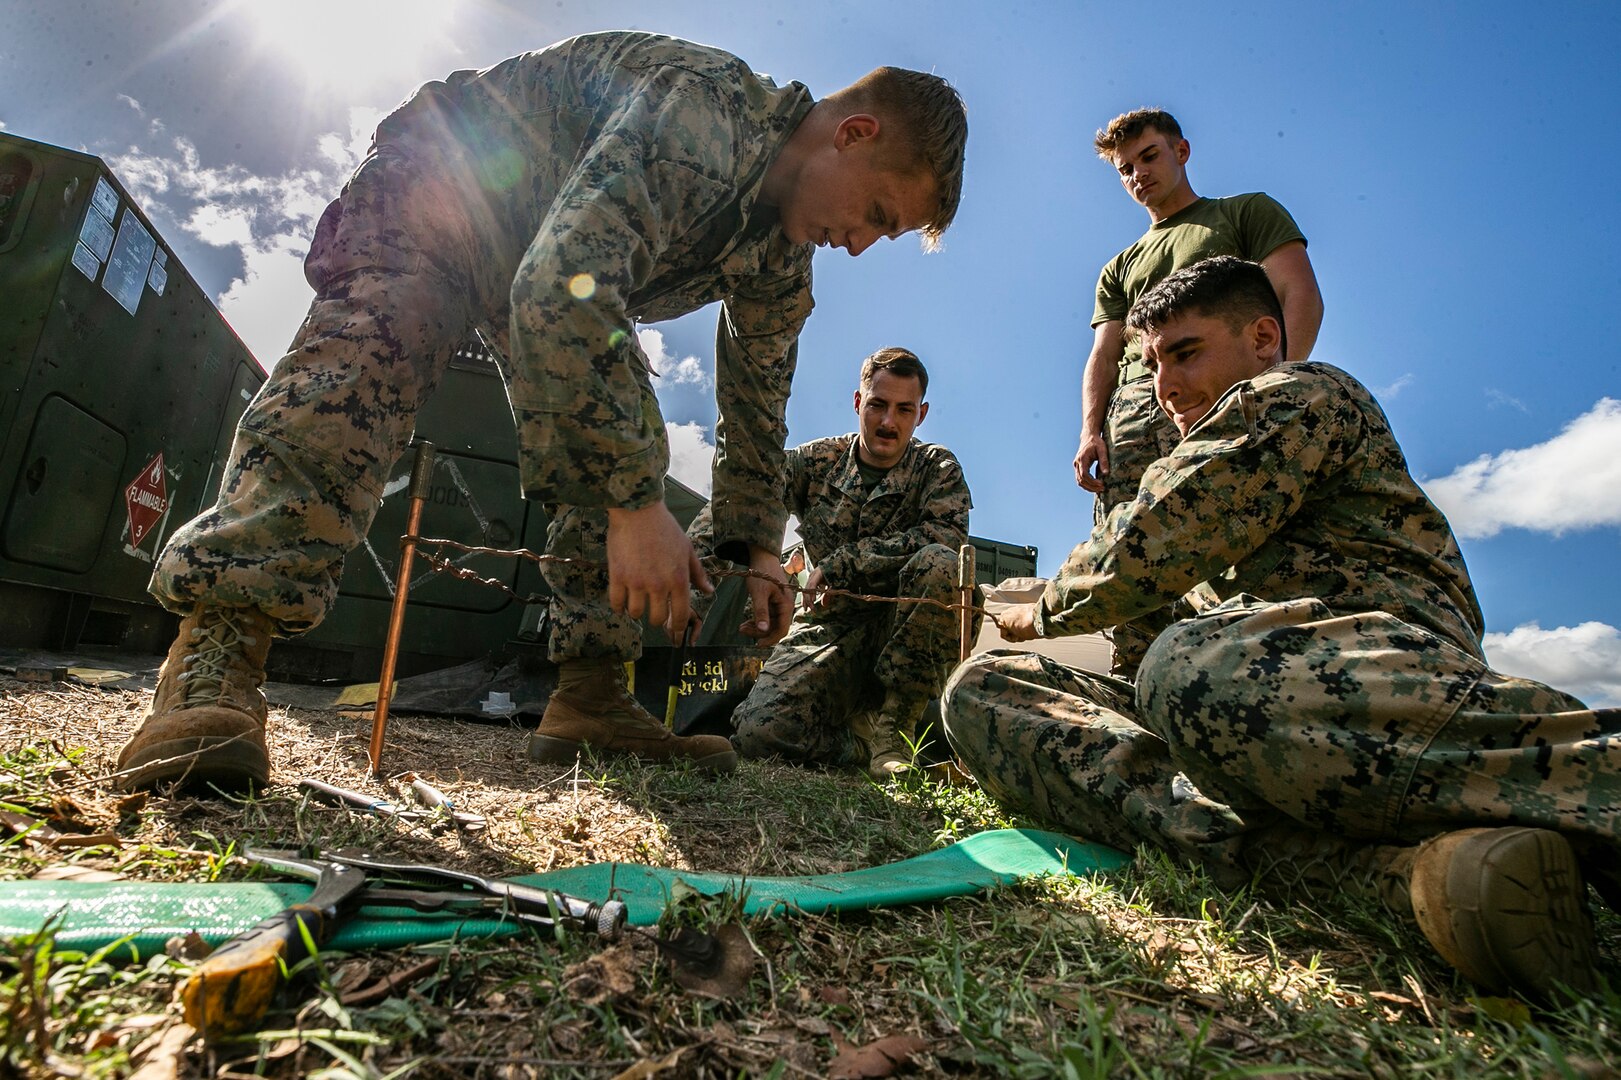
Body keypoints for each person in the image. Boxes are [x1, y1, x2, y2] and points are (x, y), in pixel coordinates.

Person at [114, 31, 968, 791]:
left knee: (616, 414)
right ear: (853, 135)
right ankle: (217, 656)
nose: (858, 243)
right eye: (877, 216)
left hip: (548, 256)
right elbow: (562, 285)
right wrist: (633, 503)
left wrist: (756, 550)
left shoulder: (782, 256)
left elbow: (756, 402)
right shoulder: (705, 120)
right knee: (372, 354)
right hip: (447, 187)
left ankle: (592, 696)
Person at [947, 257, 1617, 1002]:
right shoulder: (1209, 465)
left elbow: (1149, 538)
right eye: (1151, 364)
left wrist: (1034, 612)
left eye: (1185, 352)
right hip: (1245, 715)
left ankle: (1592, 777)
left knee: (1190, 667)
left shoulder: (1297, 393)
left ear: (1263, 338)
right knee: (986, 689)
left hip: (1372, 683)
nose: (1164, 387)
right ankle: (1399, 879)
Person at [1071, 108, 1323, 679]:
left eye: (1149, 157)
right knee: (1128, 553)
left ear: (1182, 151)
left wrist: (1273, 392)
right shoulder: (1119, 267)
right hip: (1133, 417)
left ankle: (1247, 695)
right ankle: (1139, 702)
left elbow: (1298, 293)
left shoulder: (1244, 213)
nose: (1138, 175)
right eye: (1124, 169)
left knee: (1235, 548)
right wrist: (1091, 429)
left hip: (1223, 399)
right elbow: (1104, 356)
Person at [691, 347, 974, 778]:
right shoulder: (816, 462)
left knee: (939, 565)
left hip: (902, 630)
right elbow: (742, 502)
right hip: (831, 629)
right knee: (758, 735)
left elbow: (946, 538)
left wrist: (844, 563)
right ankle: (861, 739)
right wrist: (694, 586)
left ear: (921, 414)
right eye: (878, 405)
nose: (887, 422)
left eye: (904, 409)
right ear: (858, 402)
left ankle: (894, 733)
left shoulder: (937, 469)